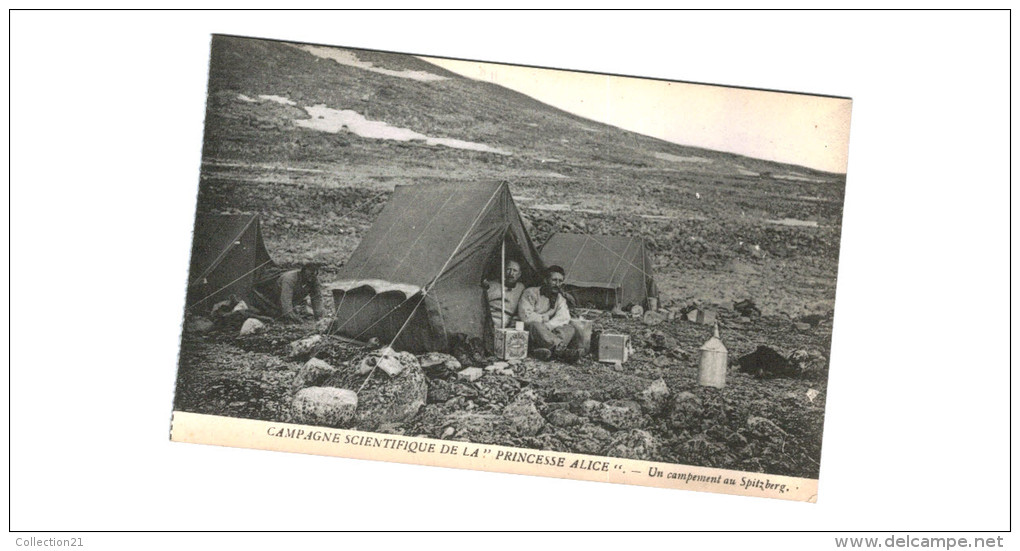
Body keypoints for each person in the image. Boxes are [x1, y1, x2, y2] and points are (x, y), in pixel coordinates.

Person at [517, 265, 582, 361]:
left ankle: (544, 351)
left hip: (548, 331)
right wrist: (544, 318)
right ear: (545, 280)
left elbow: (563, 317)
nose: (557, 284)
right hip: (533, 331)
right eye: (554, 280)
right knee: (535, 325)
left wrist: (548, 326)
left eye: (560, 281)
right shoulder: (531, 292)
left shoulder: (559, 298)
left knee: (570, 328)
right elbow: (525, 316)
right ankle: (561, 351)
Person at [251, 263, 325, 322]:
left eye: (313, 277)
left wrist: (319, 316)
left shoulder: (314, 280)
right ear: (302, 273)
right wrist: (293, 317)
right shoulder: (289, 279)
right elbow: (286, 300)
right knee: (273, 314)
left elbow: (317, 297)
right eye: (308, 276)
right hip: (272, 298)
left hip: (293, 299)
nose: (310, 280)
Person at [484, 259, 525, 329]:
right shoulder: (491, 285)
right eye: (508, 269)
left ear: (519, 274)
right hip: (489, 319)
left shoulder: (521, 288)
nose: (511, 273)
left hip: (507, 322)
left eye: (515, 270)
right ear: (503, 271)